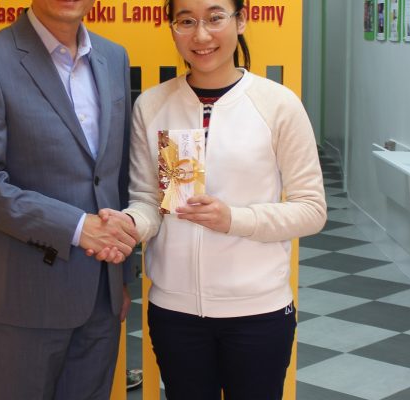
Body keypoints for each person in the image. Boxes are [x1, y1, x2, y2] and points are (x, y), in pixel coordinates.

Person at [98, 0, 327, 398]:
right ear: (172, 27)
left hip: (258, 312)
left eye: (215, 18)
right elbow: (149, 201)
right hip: (175, 313)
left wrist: (234, 219)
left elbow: (311, 209)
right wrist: (131, 224)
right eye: (186, 21)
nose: (201, 35)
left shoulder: (277, 104)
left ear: (241, 20)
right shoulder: (152, 105)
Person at [0, 0, 136, 398]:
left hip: (102, 296)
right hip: (26, 299)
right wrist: (77, 227)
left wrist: (122, 278)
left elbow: (116, 174)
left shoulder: (114, 57)